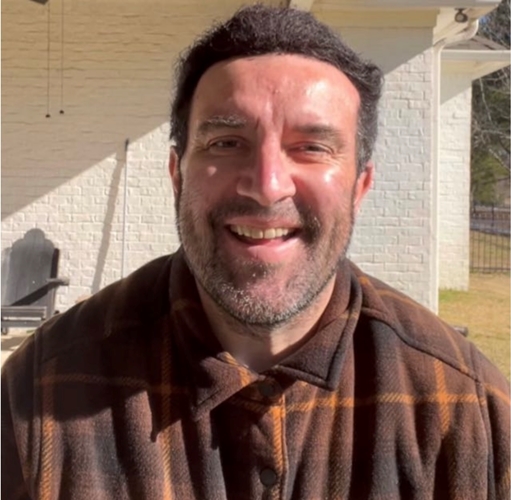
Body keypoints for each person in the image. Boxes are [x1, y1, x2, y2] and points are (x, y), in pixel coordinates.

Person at [2, 5, 509, 499]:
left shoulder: (468, 409)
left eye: (311, 147)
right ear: (177, 176)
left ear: (360, 186)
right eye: (226, 142)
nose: (267, 186)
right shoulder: (39, 392)